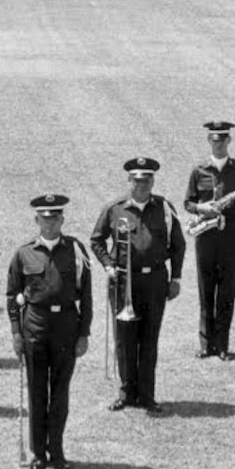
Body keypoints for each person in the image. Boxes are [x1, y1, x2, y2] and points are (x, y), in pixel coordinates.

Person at [90, 157, 184, 413]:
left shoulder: (164, 207)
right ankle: (126, 391)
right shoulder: (115, 208)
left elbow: (178, 244)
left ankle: (147, 394)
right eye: (138, 181)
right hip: (123, 281)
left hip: (154, 280)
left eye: (147, 180)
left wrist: (175, 278)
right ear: (129, 181)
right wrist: (108, 265)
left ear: (153, 181)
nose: (143, 185)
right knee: (124, 339)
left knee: (149, 337)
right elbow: (97, 240)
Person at [6, 194, 92, 469]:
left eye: (54, 218)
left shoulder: (76, 251)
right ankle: (38, 453)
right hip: (35, 326)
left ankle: (57, 451)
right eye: (44, 219)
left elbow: (87, 295)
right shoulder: (23, 253)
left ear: (62, 220)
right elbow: (12, 296)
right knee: (37, 392)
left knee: (60, 393)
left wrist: (84, 334)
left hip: (66, 326)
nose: (50, 224)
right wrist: (16, 334)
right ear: (36, 220)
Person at [182, 121, 235, 359]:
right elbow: (188, 203)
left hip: (231, 234)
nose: (218, 144)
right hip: (206, 235)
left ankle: (222, 344)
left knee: (227, 291)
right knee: (205, 289)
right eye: (214, 140)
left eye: (222, 140)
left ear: (228, 141)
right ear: (209, 141)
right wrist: (202, 206)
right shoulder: (198, 170)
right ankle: (205, 343)